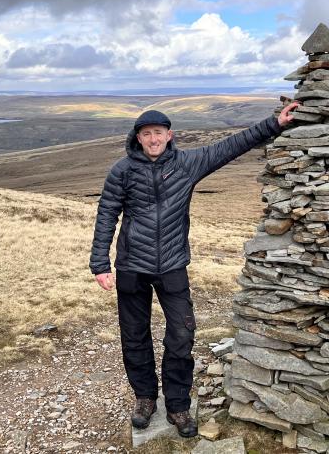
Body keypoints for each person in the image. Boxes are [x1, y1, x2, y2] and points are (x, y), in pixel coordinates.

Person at [89, 102, 299, 437]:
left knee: (182, 333)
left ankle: (177, 405)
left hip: (172, 264)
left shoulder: (187, 164)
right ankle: (145, 398)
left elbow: (229, 146)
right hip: (131, 266)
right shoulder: (122, 171)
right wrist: (100, 264)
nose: (153, 139)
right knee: (134, 336)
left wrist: (274, 123)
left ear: (169, 135)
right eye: (147, 134)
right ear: (138, 138)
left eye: (159, 133)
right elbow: (106, 216)